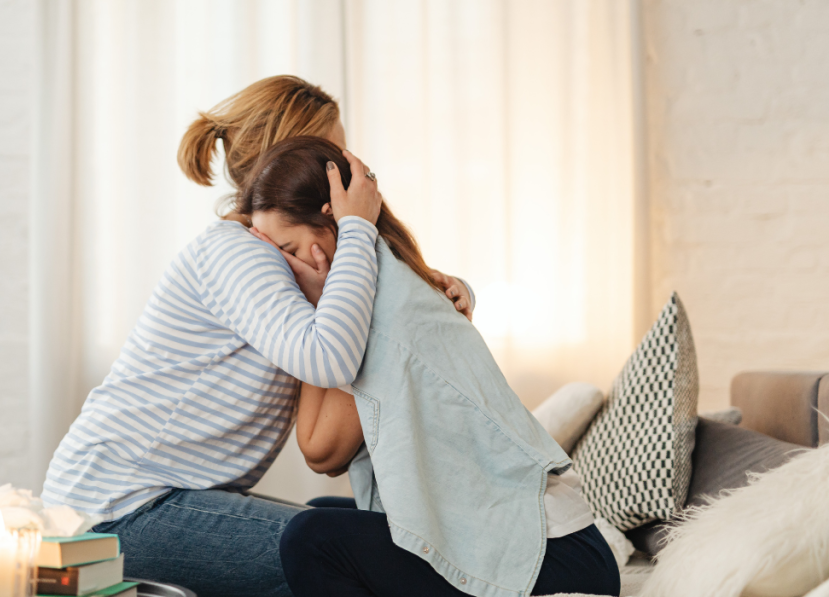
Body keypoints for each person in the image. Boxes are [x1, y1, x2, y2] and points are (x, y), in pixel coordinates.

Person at [41, 75, 473, 597]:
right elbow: (329, 358)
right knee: (340, 556)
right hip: (116, 506)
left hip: (150, 498)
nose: (350, 168)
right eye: (334, 154)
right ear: (290, 161)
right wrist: (358, 227)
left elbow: (363, 320)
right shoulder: (237, 252)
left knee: (336, 534)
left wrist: (447, 287)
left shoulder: (281, 258)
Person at [243, 136, 621, 597]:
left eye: (288, 247)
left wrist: (319, 305)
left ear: (331, 220)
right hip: (537, 543)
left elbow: (322, 451)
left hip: (552, 556)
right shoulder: (382, 276)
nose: (285, 268)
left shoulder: (380, 304)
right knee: (322, 512)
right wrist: (323, 310)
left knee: (311, 539)